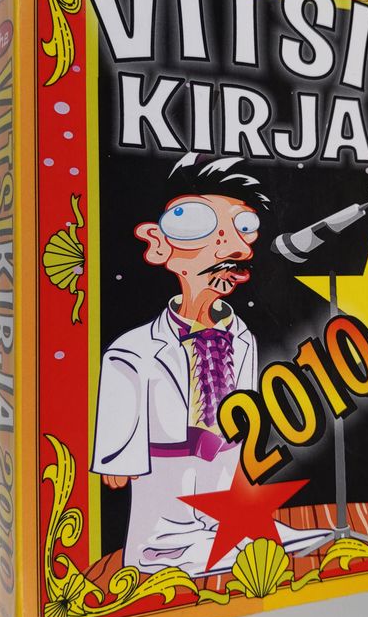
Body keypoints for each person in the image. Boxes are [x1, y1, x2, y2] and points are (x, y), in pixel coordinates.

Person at [91, 154, 331, 575]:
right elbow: (120, 409)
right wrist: (117, 461)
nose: (235, 248)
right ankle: (162, 550)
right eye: (194, 223)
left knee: (222, 481)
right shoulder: (131, 351)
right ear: (157, 243)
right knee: (169, 511)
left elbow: (245, 408)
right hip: (164, 462)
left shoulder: (241, 337)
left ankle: (230, 530)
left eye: (244, 227)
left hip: (222, 454)